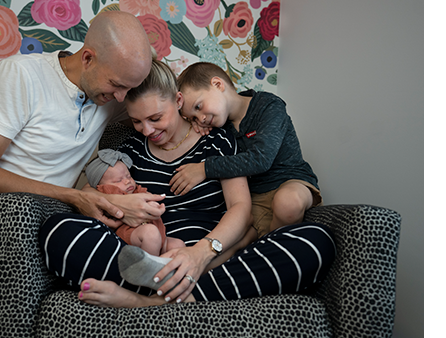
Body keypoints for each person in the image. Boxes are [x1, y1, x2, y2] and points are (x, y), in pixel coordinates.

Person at [0, 11, 162, 338]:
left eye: (130, 88)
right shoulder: (19, 76)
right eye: (116, 85)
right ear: (87, 58)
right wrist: (76, 197)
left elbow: (169, 92)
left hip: (48, 251)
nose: (122, 99)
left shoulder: (112, 93)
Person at [39, 60, 336, 308]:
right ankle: (180, 291)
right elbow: (90, 192)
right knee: (57, 230)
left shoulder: (218, 141)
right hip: (147, 255)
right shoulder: (128, 149)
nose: (148, 130)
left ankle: (147, 301)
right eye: (137, 121)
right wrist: (119, 202)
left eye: (156, 117)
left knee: (315, 241)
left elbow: (241, 208)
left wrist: (199, 255)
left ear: (178, 101)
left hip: (210, 259)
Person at [173, 62, 323, 238]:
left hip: (290, 181)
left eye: (198, 107)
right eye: (193, 118)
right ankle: (195, 264)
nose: (202, 118)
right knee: (233, 233)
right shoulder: (220, 128)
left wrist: (205, 168)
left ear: (217, 84)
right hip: (254, 197)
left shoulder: (268, 105)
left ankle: (270, 247)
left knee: (287, 203)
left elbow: (261, 159)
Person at [86, 149, 186, 256]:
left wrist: (154, 204)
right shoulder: (109, 197)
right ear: (100, 188)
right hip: (130, 235)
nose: (127, 181)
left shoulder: (136, 191)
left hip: (160, 237)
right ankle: (148, 269)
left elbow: (149, 197)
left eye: (128, 176)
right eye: (118, 180)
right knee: (150, 234)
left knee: (178, 245)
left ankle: (165, 268)